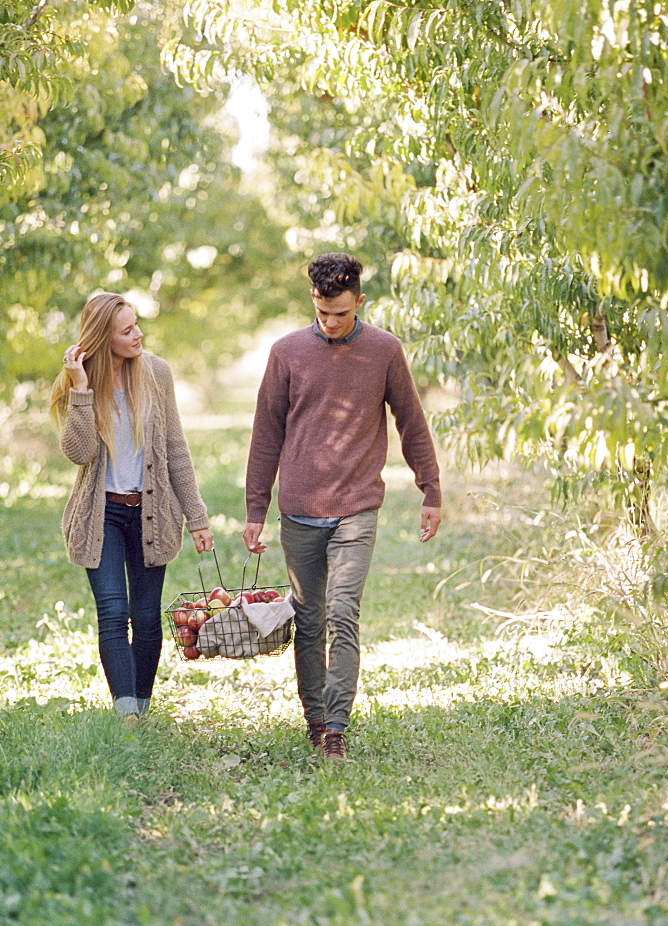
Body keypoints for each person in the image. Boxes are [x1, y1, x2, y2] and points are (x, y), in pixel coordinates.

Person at [243, 253, 441, 761]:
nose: (331, 323)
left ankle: (336, 726)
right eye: (323, 312)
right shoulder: (287, 352)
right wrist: (255, 509)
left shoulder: (383, 350)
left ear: (360, 302)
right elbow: (267, 432)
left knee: (342, 612)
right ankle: (314, 718)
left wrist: (431, 491)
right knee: (307, 620)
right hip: (300, 508)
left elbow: (411, 423)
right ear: (313, 299)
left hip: (357, 506)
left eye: (342, 314)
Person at [50, 292, 213, 719]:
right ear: (105, 337)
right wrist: (82, 391)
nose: (138, 334)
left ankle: (141, 705)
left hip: (150, 513)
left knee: (145, 620)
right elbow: (80, 453)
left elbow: (176, 448)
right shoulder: (79, 380)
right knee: (112, 614)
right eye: (127, 330)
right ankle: (128, 717)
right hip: (100, 514)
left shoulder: (157, 373)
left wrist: (196, 517)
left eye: (136, 324)